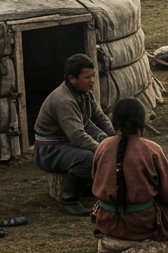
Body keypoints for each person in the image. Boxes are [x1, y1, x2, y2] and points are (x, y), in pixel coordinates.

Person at [91, 98, 168, 242]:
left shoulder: (102, 146)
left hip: (107, 220)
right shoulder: (152, 149)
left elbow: (96, 180)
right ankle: (161, 232)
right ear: (142, 121)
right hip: (142, 223)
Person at [33, 53, 115, 216]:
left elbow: (99, 117)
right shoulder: (65, 101)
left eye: (93, 76)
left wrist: (114, 140)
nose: (92, 80)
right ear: (72, 78)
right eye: (87, 77)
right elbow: (77, 137)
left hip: (65, 141)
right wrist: (104, 150)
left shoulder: (84, 92)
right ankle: (69, 200)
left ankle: (88, 186)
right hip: (49, 150)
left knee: (104, 140)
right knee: (87, 157)